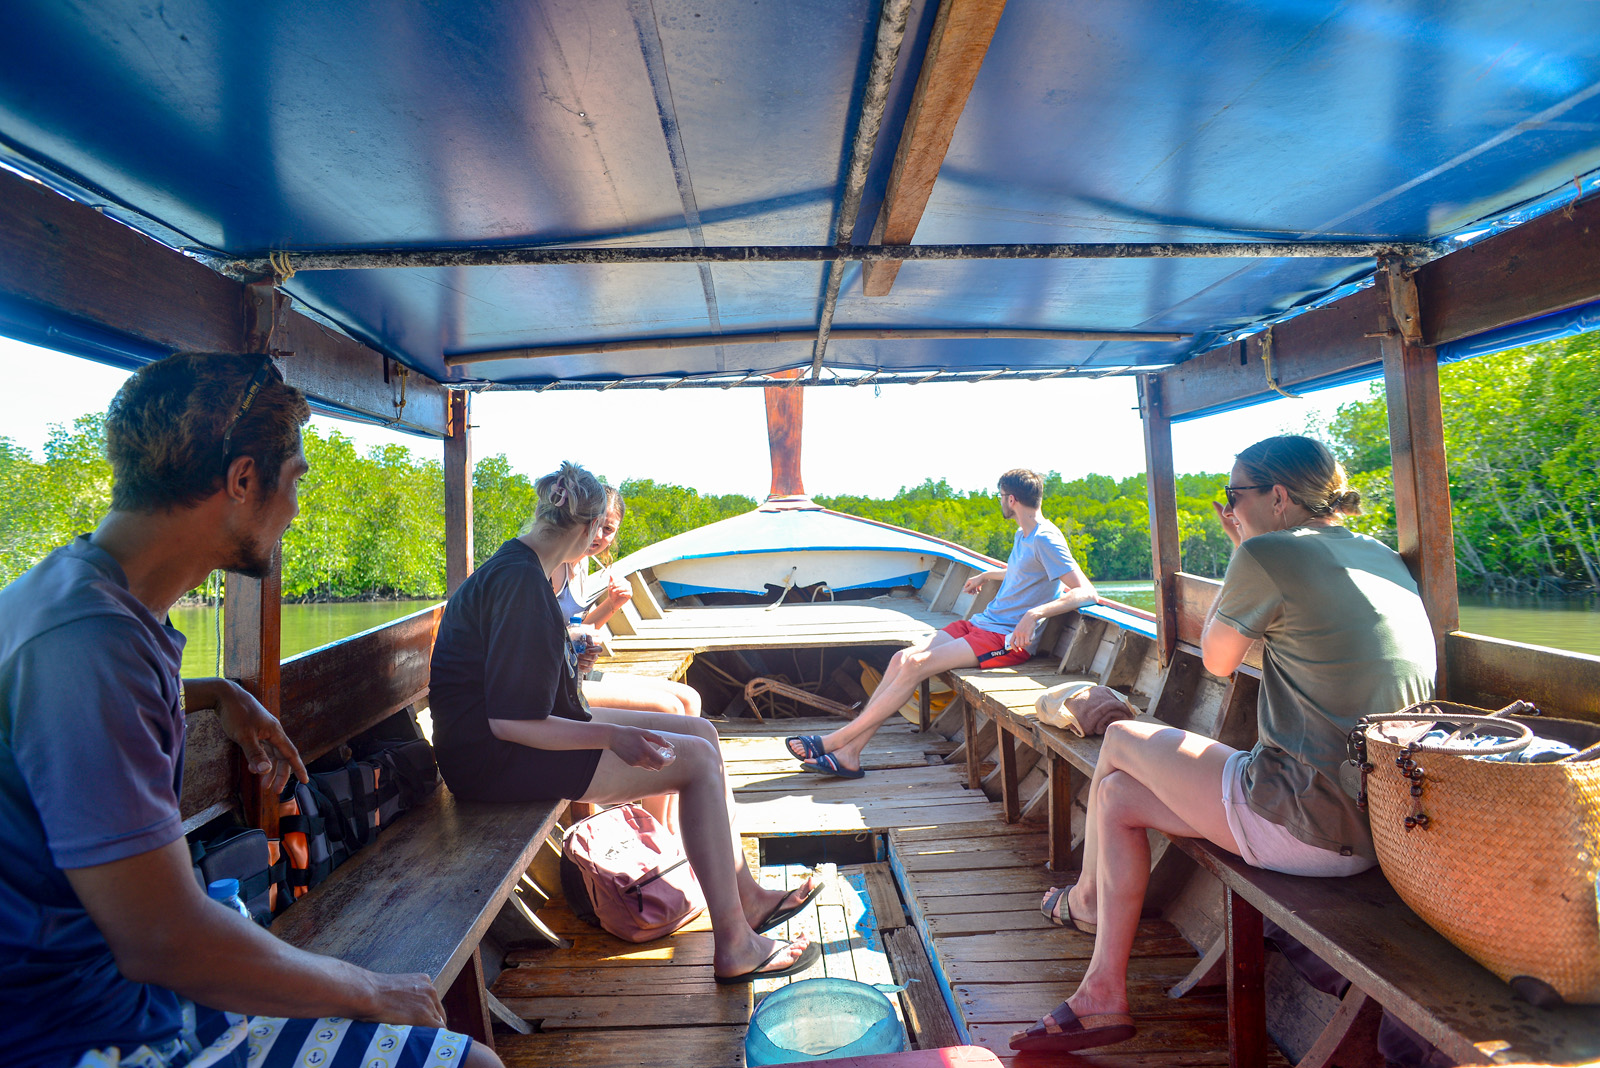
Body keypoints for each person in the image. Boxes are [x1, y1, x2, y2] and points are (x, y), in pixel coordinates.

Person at [0, 352, 500, 1068]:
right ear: (242, 480)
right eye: (293, 480)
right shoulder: (90, 643)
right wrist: (367, 990)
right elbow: (164, 939)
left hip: (111, 998)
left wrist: (217, 693)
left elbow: (68, 727)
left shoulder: (78, 598)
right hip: (83, 1033)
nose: (295, 508)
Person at [1013, 435, 1436, 1054]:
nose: (1230, 507)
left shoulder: (1266, 554)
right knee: (1121, 797)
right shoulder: (1380, 555)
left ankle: (1085, 902)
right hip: (1382, 829)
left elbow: (1216, 661)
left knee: (1125, 737)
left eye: (1236, 495)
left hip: (1302, 818)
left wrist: (1244, 549)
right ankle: (1101, 992)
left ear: (1279, 496)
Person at [427, 462, 824, 984]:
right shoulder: (520, 584)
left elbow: (525, 691)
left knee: (700, 734)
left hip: (508, 739)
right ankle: (734, 945)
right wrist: (613, 736)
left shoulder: (520, 565)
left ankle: (746, 900)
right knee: (698, 765)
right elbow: (509, 721)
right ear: (591, 527)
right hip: (492, 761)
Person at [785, 468, 1098, 778]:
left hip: (1004, 640)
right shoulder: (1023, 534)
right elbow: (1025, 571)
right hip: (983, 623)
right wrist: (988, 575)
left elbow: (1087, 592)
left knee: (917, 665)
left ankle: (837, 741)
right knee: (902, 658)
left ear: (1011, 498)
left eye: (1000, 496)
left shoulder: (1046, 538)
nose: (1000, 502)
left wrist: (1034, 614)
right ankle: (849, 755)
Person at [552, 485, 703, 831]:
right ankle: (656, 828)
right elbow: (552, 637)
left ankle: (668, 823)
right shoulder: (556, 562)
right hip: (563, 681)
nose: (598, 535)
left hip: (577, 670)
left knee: (688, 697)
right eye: (593, 523)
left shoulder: (583, 564)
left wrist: (610, 608)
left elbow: (577, 628)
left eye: (608, 528)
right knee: (668, 709)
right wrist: (596, 621)